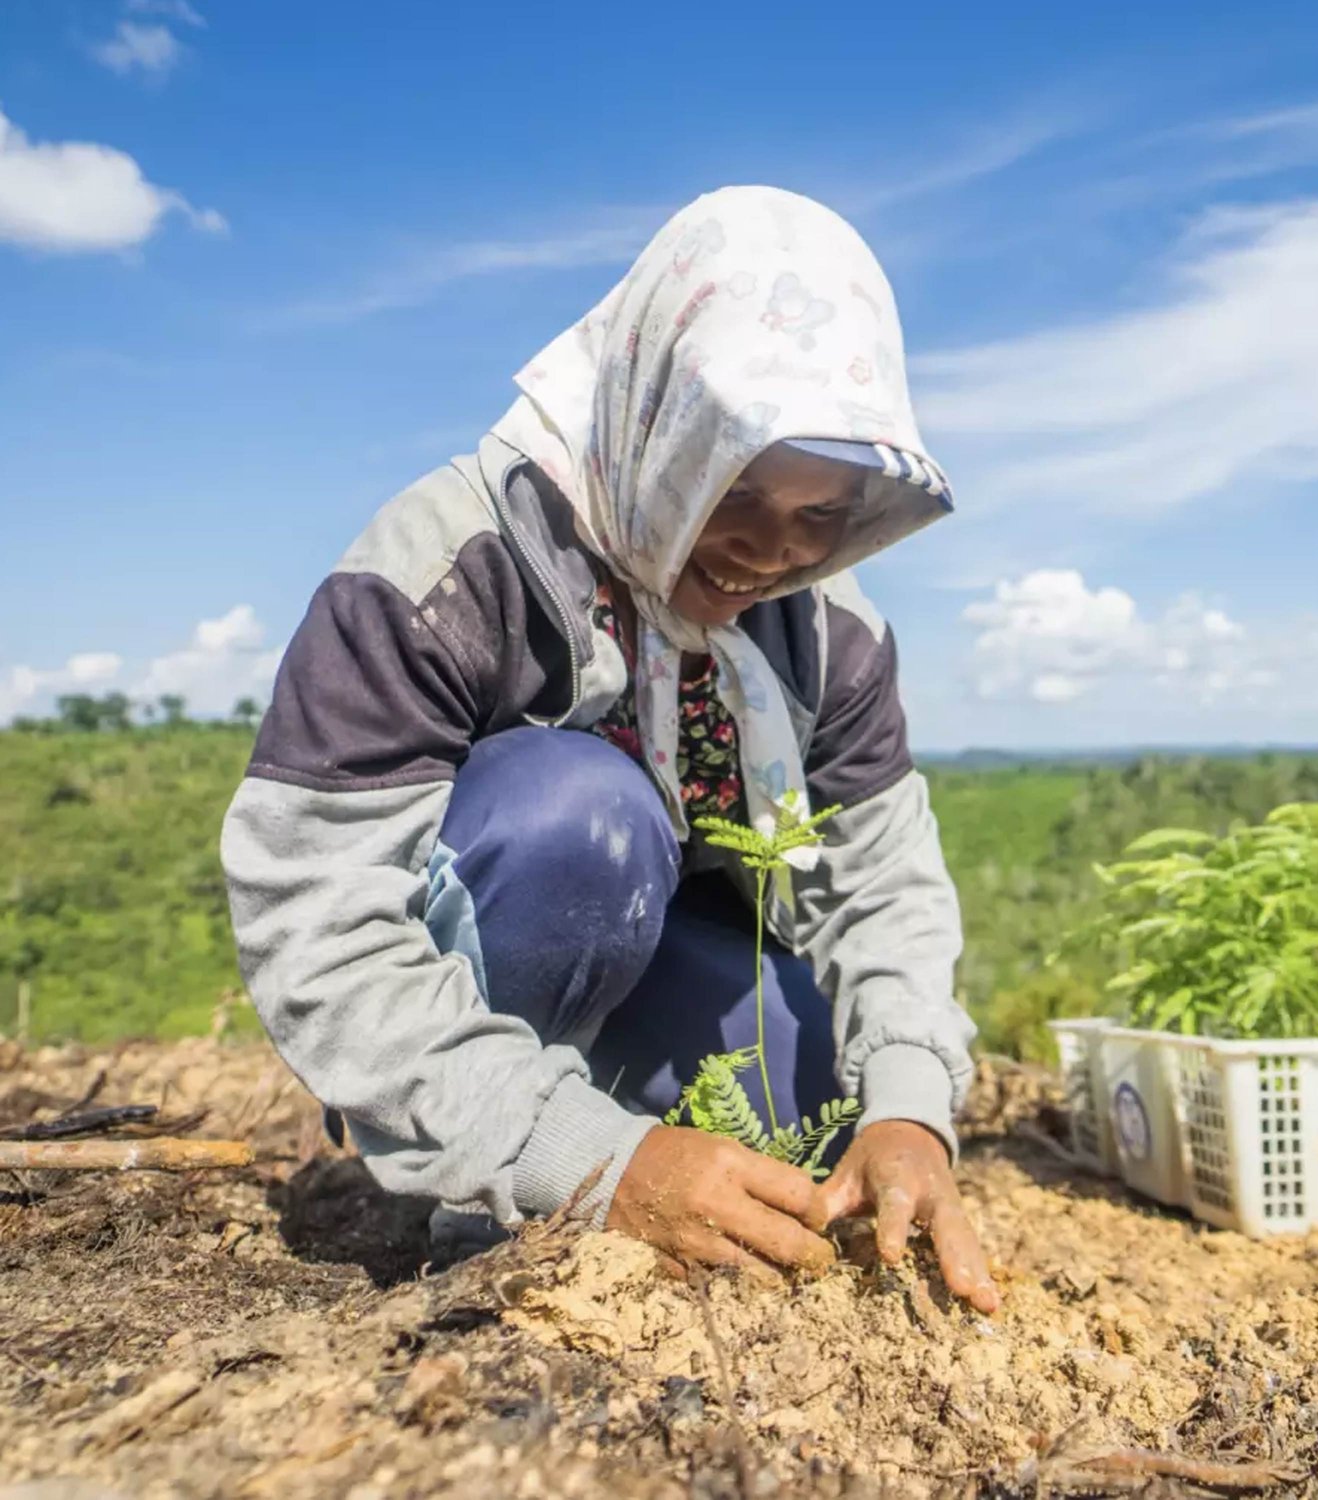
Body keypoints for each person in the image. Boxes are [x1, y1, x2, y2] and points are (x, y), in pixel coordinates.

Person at [222, 185, 999, 1313]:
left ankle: (630, 1139)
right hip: (503, 961)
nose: (769, 554)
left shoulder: (832, 629)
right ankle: (473, 1203)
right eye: (737, 487)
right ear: (662, 428)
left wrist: (910, 1111)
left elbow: (883, 887)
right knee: (580, 819)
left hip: (663, 950)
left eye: (821, 514)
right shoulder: (449, 566)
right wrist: (585, 1155)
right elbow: (320, 920)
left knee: (814, 1105)